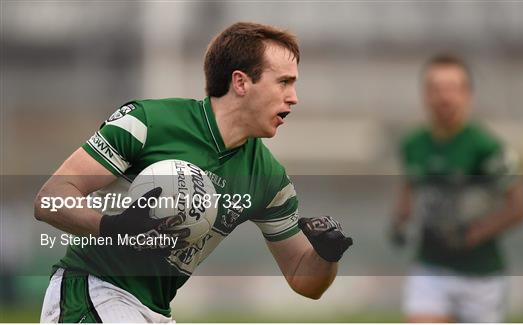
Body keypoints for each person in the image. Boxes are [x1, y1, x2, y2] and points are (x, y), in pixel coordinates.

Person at [35, 22, 353, 323]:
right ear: (241, 82)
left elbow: (304, 280)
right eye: (284, 82)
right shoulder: (149, 122)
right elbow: (50, 198)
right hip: (91, 289)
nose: (293, 97)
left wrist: (326, 255)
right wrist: (114, 227)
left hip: (154, 309)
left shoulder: (267, 177)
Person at [391, 54, 523, 323]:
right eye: (436, 89)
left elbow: (519, 207)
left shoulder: (486, 147)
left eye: (453, 88)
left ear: (468, 95)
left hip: (480, 275)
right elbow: (410, 186)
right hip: (430, 266)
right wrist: (400, 221)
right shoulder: (413, 144)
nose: (445, 97)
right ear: (425, 95)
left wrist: (472, 234)